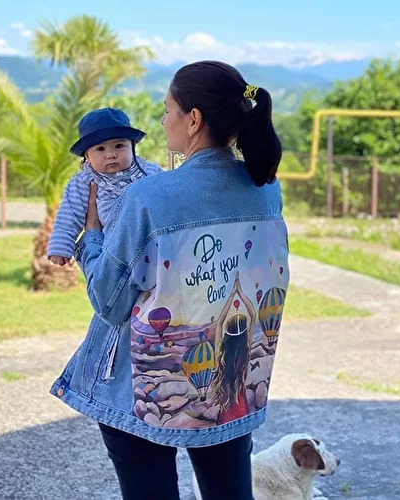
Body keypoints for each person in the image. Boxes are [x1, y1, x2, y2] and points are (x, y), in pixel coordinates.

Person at [51, 61, 290, 500]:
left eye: (167, 111)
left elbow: (110, 302)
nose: (163, 122)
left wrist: (92, 236)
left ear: (193, 119)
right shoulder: (266, 188)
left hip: (142, 386)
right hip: (231, 380)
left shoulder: (149, 195)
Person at [47, 107, 163, 265]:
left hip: (154, 244)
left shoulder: (149, 171)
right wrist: (60, 247)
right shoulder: (85, 181)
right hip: (111, 252)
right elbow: (70, 213)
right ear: (87, 156)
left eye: (119, 146)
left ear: (133, 147)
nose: (111, 155)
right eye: (100, 149)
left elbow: (171, 197)